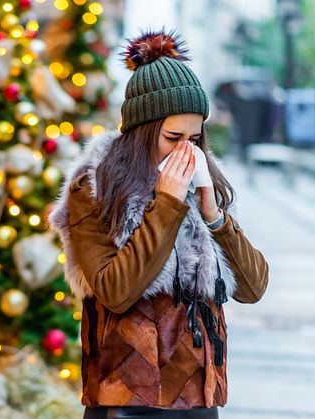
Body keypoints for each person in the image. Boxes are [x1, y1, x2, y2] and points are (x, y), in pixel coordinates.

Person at [49, 30, 269, 418]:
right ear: (142, 131)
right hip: (127, 401)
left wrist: (215, 218)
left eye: (195, 138)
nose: (186, 150)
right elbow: (116, 291)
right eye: (173, 137)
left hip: (199, 399)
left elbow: (252, 288)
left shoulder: (199, 185)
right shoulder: (95, 187)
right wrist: (165, 202)